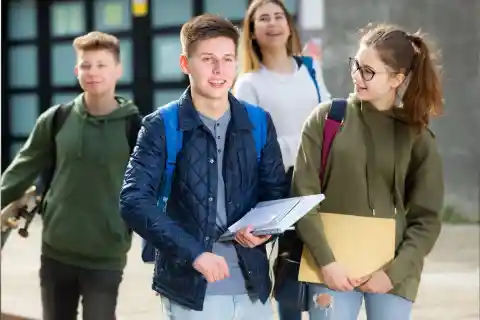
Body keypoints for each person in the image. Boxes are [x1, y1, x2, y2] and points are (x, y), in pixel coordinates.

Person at [119, 14, 286, 320]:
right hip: (191, 290)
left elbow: (275, 192)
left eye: (227, 59)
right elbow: (133, 200)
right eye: (208, 59)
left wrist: (265, 231)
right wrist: (194, 254)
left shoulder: (259, 122)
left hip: (253, 288)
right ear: (186, 64)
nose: (219, 70)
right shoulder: (161, 125)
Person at [293, 23, 444, 320]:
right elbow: (303, 195)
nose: (357, 77)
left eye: (369, 72)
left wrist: (394, 273)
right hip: (329, 270)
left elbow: (426, 219)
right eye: (357, 66)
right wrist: (327, 263)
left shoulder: (416, 136)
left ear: (396, 79)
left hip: (392, 274)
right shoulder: (326, 120)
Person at [1, 31, 141, 320]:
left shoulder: (136, 128)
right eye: (86, 65)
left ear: (118, 69)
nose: (93, 72)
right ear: (77, 70)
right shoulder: (56, 119)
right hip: (56, 250)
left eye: (101, 64)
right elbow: (19, 172)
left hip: (106, 255)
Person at [233, 1, 331, 319]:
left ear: (289, 26)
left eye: (278, 16)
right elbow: (251, 143)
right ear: (252, 32)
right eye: (263, 19)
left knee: (324, 260)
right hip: (282, 184)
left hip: (321, 177)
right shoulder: (249, 83)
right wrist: (304, 144)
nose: (273, 23)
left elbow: (329, 116)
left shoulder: (310, 68)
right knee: (290, 266)